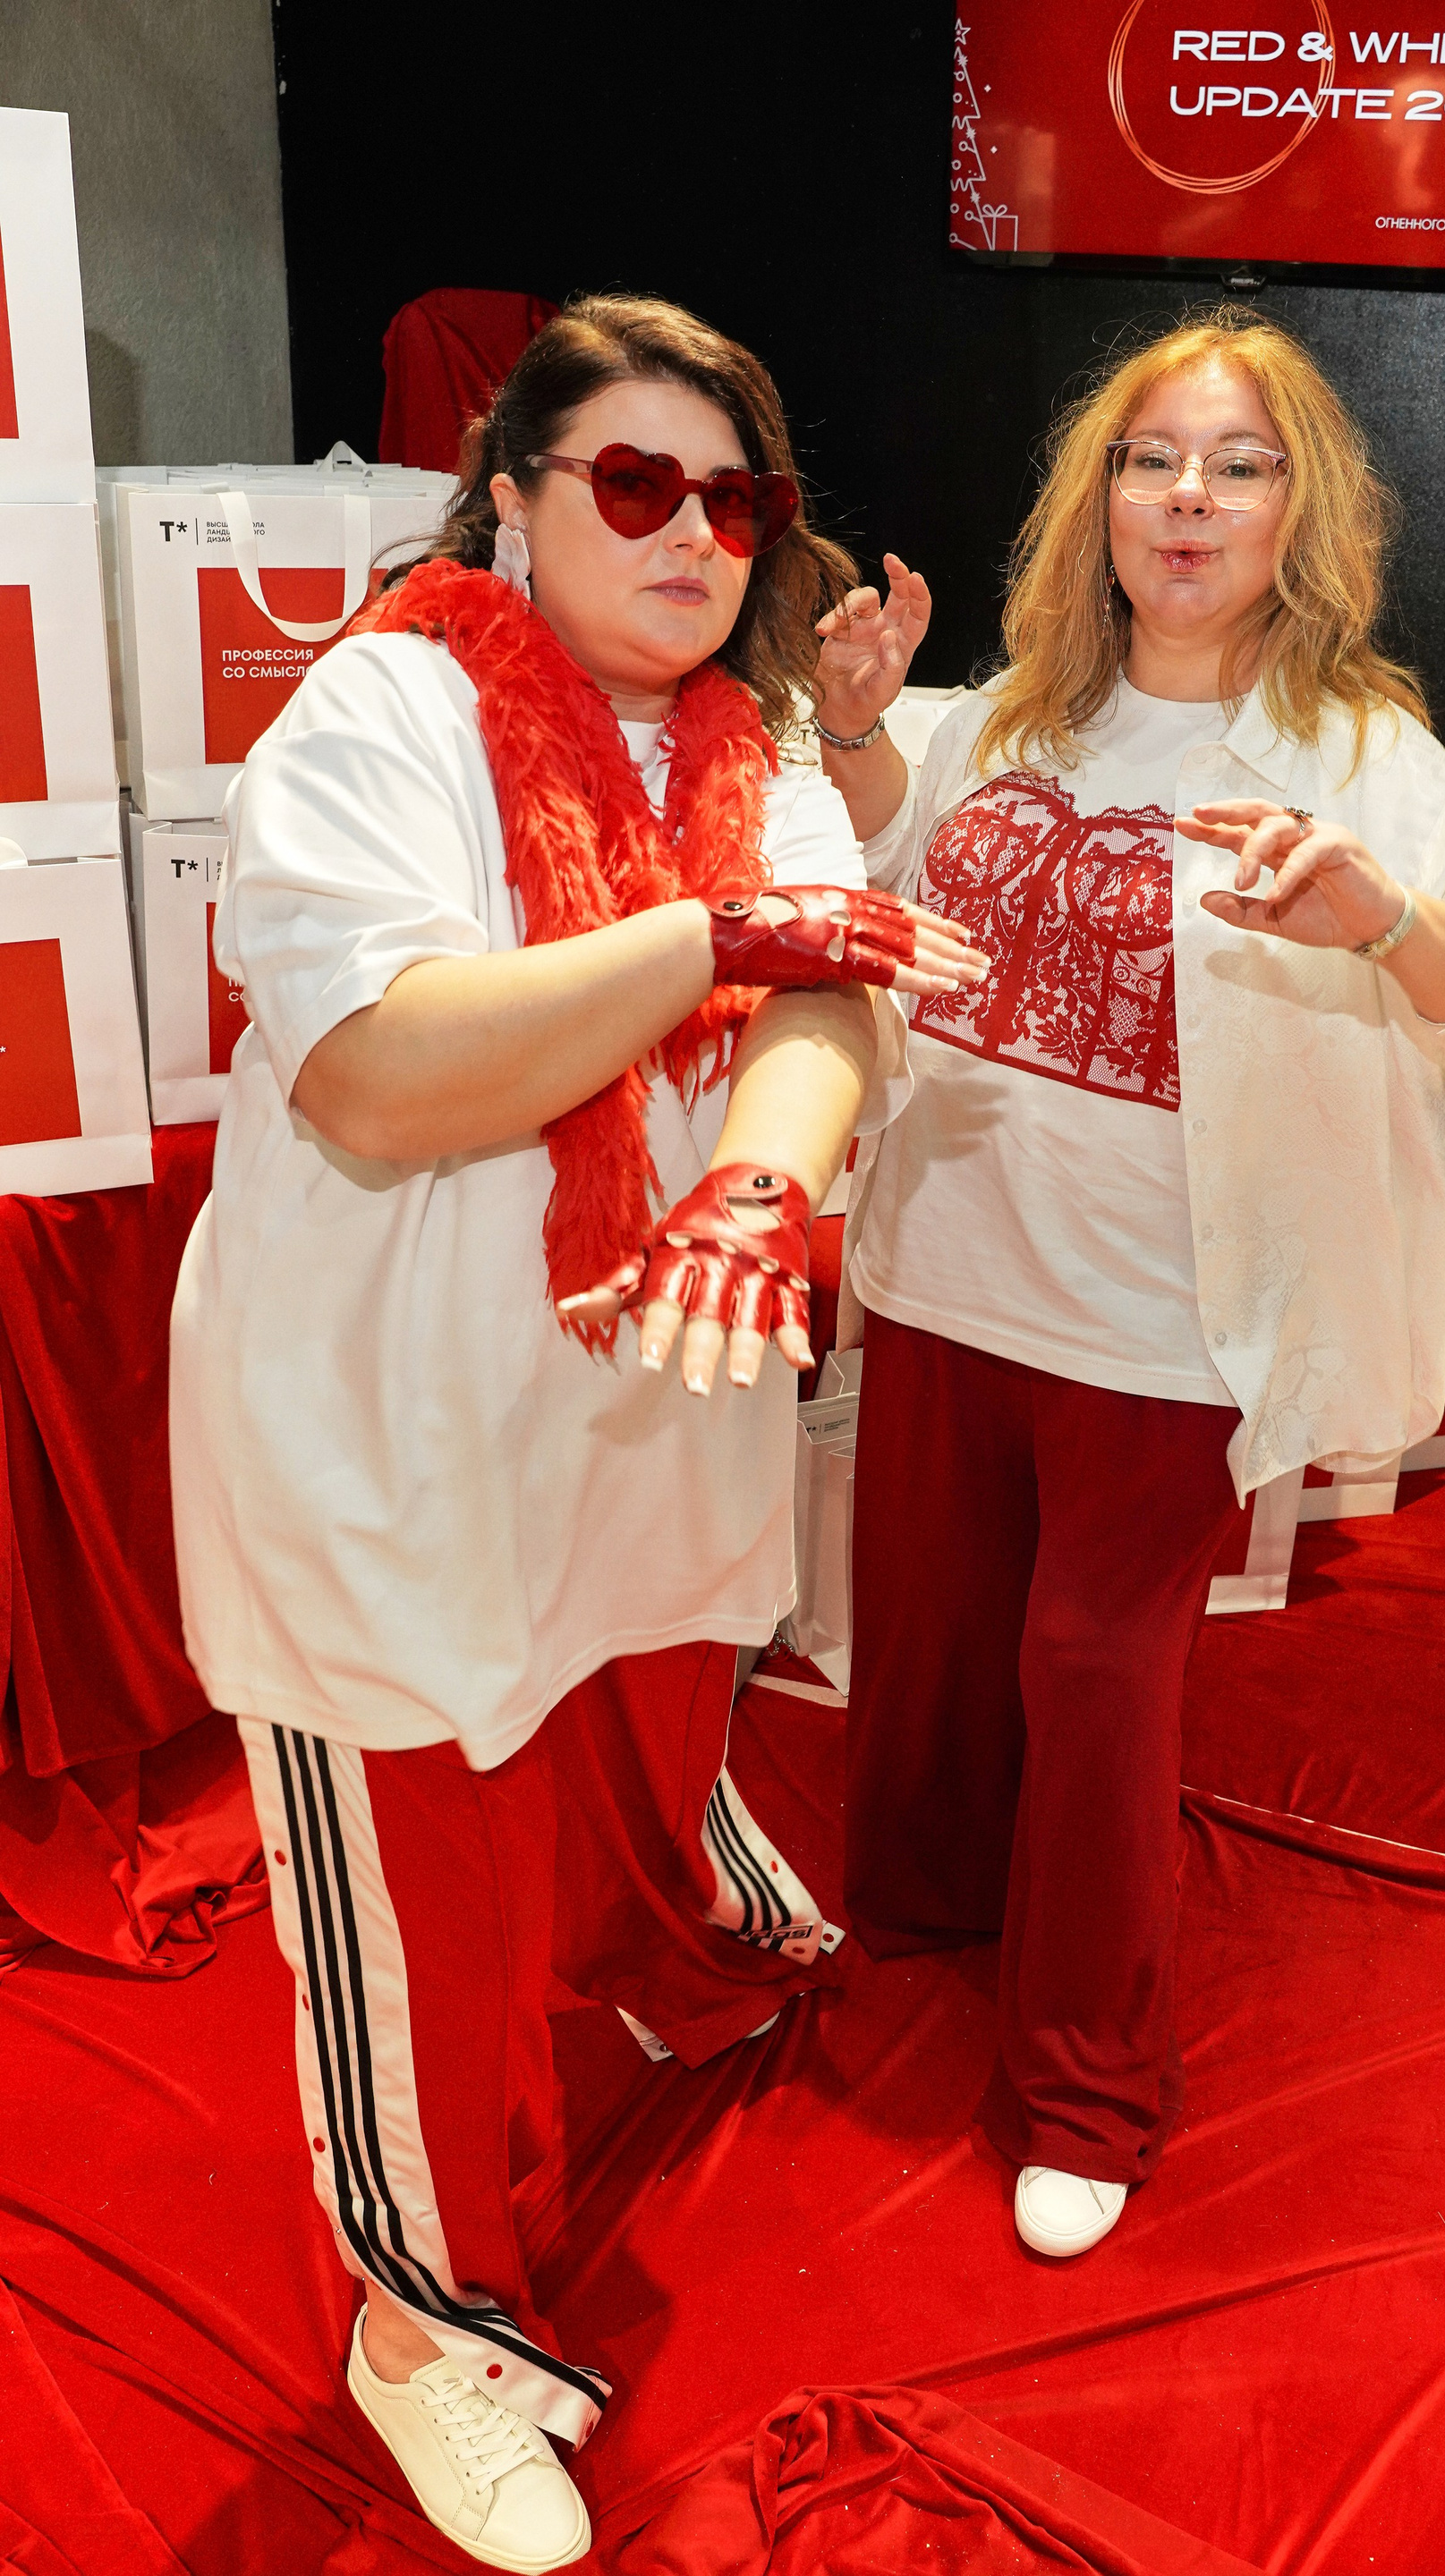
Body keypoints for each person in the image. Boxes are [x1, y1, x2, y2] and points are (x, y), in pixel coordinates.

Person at [168, 294, 983, 2572]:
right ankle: (420, 2329)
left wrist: (763, 1182)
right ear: (513, 501)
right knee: (430, 1888)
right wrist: (711, 933)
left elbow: (829, 999)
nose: (693, 533)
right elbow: (387, 1073)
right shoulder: (385, 707)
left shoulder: (750, 739)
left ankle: (655, 1976)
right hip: (394, 1426)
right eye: (635, 482)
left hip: (653, 1380)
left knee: (639, 1739)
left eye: (738, 496)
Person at [812, 308, 1445, 2266]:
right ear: (1098, 498)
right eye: (1154, 459)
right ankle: (921, 1922)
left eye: (1240, 467)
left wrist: (1391, 921)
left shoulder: (1364, 758)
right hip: (946, 1276)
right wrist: (852, 727)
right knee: (928, 1645)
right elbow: (875, 862)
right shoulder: (1007, 714)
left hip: (1161, 1332)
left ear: (1299, 514)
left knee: (1094, 1684)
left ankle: (1086, 2082)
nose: (1190, 497)